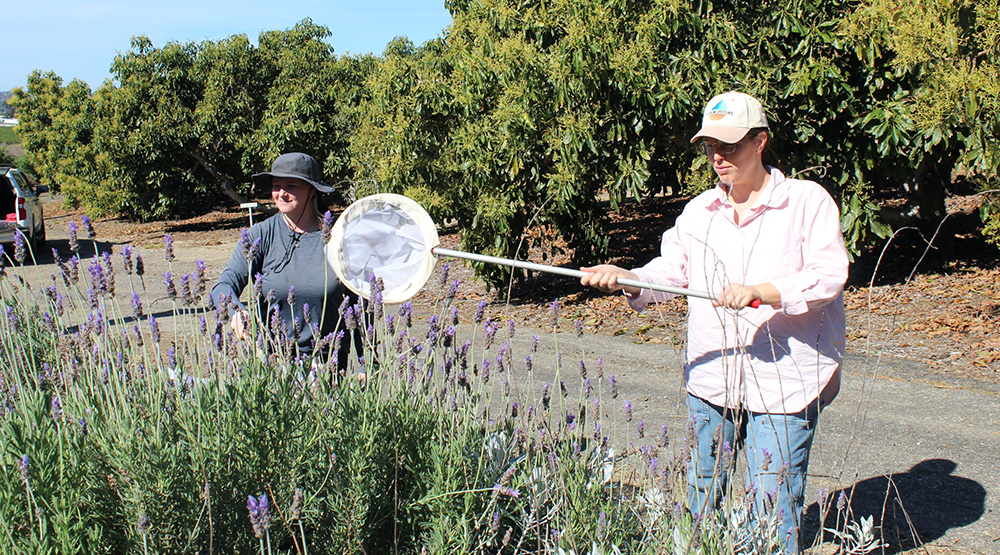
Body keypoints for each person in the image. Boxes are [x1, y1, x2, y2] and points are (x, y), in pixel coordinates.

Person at [580, 91, 848, 553]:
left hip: (786, 383)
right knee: (702, 497)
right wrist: (629, 278)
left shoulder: (806, 202)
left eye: (730, 146)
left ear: (760, 141)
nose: (718, 157)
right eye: (710, 147)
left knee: (775, 504)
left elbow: (828, 276)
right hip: (711, 378)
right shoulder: (699, 213)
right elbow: (672, 275)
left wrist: (764, 292)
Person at [211, 152, 362, 376]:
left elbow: (363, 306)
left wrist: (369, 365)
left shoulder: (339, 239)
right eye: (276, 185)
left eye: (291, 186)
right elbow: (224, 284)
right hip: (273, 364)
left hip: (326, 366)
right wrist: (235, 310)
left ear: (312, 190)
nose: (281, 193)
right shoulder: (260, 235)